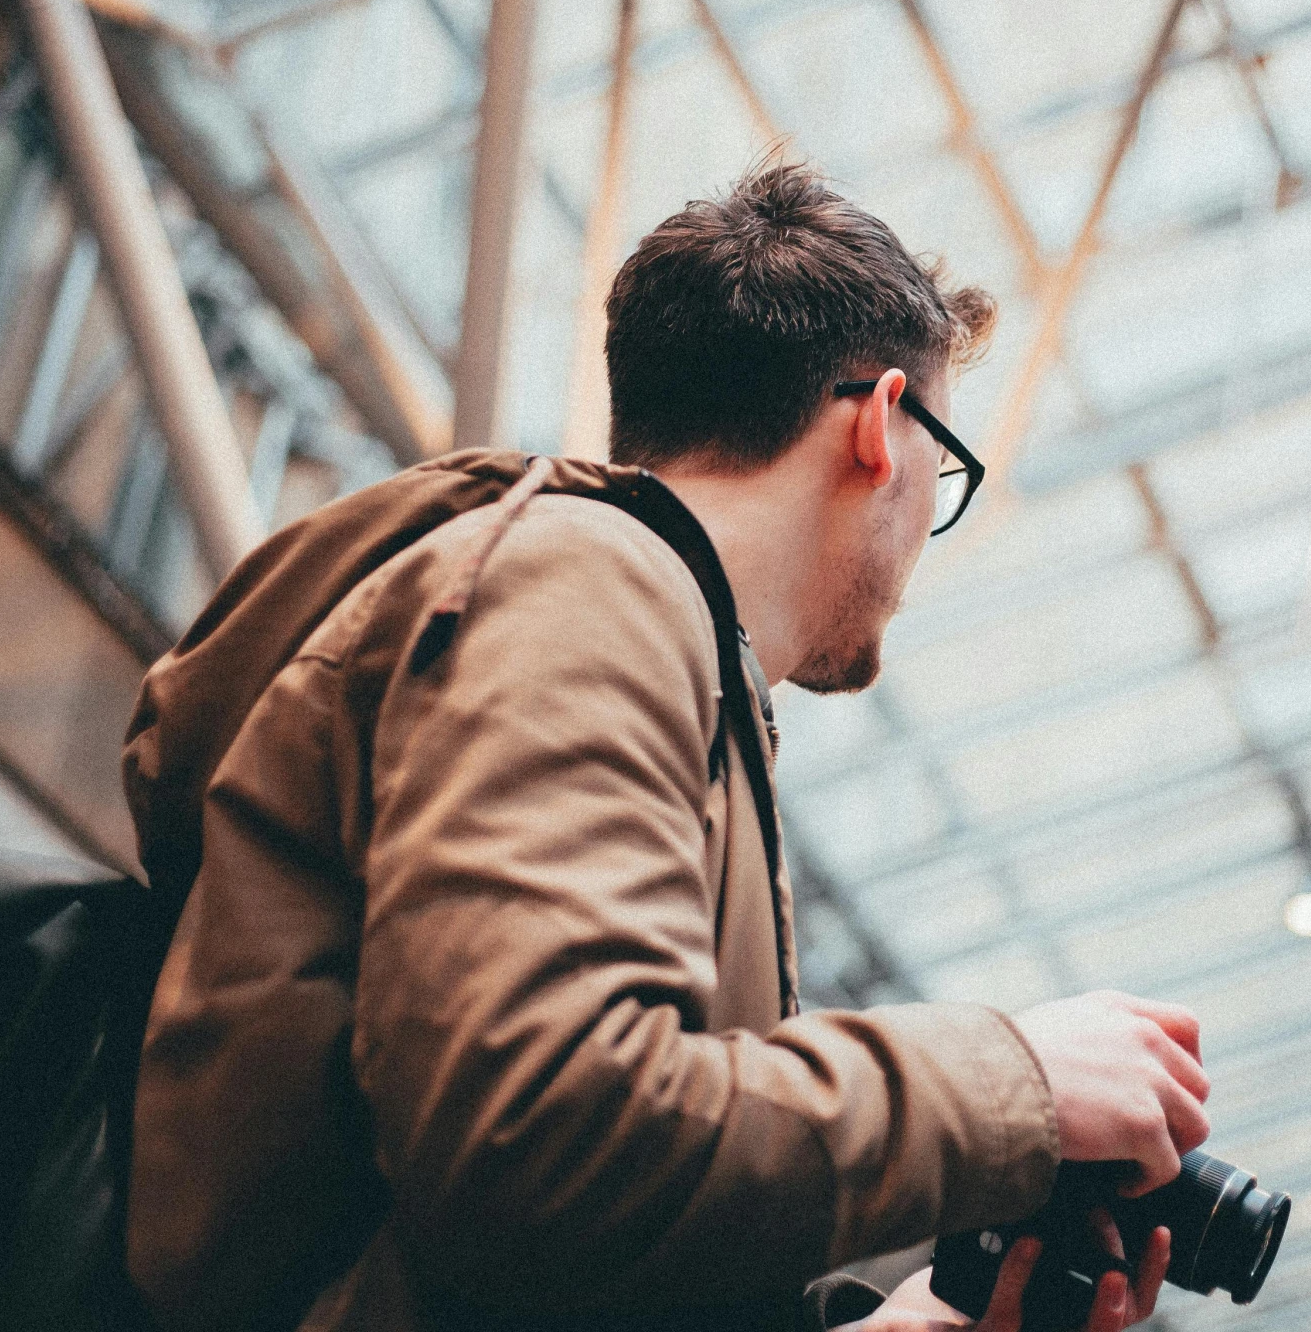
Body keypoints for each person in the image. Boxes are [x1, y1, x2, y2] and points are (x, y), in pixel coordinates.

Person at [119, 160, 1211, 1332]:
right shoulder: (592, 586)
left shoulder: (658, 643)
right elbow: (539, 1136)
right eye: (944, 476)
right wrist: (1013, 1085)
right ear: (881, 427)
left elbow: (544, 1259)